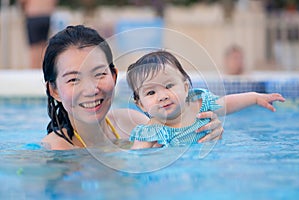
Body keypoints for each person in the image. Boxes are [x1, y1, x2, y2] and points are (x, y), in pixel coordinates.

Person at [41, 25, 224, 150]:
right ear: (54, 90)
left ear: (114, 76)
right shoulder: (55, 150)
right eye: (73, 80)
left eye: (99, 74)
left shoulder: (133, 122)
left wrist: (203, 131)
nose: (91, 90)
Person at [126, 50, 285, 149]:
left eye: (169, 85)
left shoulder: (201, 104)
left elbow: (226, 104)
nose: (163, 96)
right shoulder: (151, 131)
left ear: (186, 88)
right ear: (141, 105)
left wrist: (255, 98)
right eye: (151, 92)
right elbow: (136, 159)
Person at [19, 0, 58, 69]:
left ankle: (34, 73)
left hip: (34, 14)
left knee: (34, 49)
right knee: (43, 47)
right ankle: (41, 71)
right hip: (47, 15)